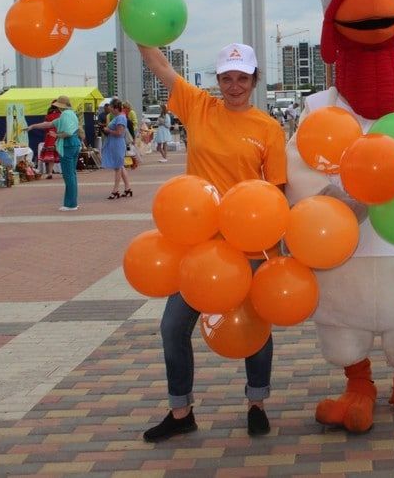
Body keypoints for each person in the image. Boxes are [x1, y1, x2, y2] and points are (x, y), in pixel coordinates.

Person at [139, 40, 287, 441]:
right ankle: (181, 411)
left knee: (255, 327)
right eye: (226, 78)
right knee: (173, 327)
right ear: (217, 80)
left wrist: (280, 246)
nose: (234, 86)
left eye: (242, 78)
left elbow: (277, 190)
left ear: (255, 80)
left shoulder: (268, 128)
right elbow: (158, 65)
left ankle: (257, 403)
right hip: (198, 243)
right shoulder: (198, 106)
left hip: (249, 244)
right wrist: (137, 27)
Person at [26, 96, 82, 211]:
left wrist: (56, 136)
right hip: (75, 144)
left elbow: (68, 132)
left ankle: (70, 204)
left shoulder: (65, 115)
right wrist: (33, 126)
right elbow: (49, 124)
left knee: (68, 175)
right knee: (72, 174)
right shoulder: (71, 114)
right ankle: (73, 202)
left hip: (67, 145)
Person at [101, 99, 132, 199]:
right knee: (120, 166)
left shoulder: (120, 118)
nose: (109, 109)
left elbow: (119, 133)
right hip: (115, 144)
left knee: (117, 167)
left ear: (115, 108)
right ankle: (127, 188)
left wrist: (108, 130)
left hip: (117, 144)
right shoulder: (119, 117)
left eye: (111, 107)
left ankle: (115, 190)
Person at [38, 102, 62, 179]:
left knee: (50, 155)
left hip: (49, 137)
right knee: (62, 154)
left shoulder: (48, 116)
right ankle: (65, 172)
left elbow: (45, 127)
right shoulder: (61, 115)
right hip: (59, 135)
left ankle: (50, 172)